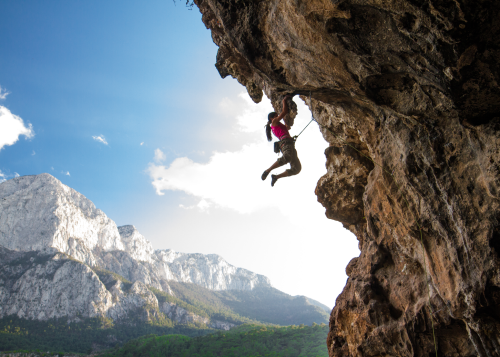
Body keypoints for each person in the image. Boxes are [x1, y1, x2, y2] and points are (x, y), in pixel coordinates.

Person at [261, 95, 301, 187]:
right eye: (276, 115)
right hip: (285, 142)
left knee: (297, 168)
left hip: (289, 143)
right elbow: (284, 112)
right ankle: (268, 170)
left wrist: (287, 126)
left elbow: (287, 127)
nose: (277, 116)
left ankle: (276, 177)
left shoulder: (278, 125)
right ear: (272, 118)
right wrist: (284, 100)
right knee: (287, 157)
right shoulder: (274, 122)